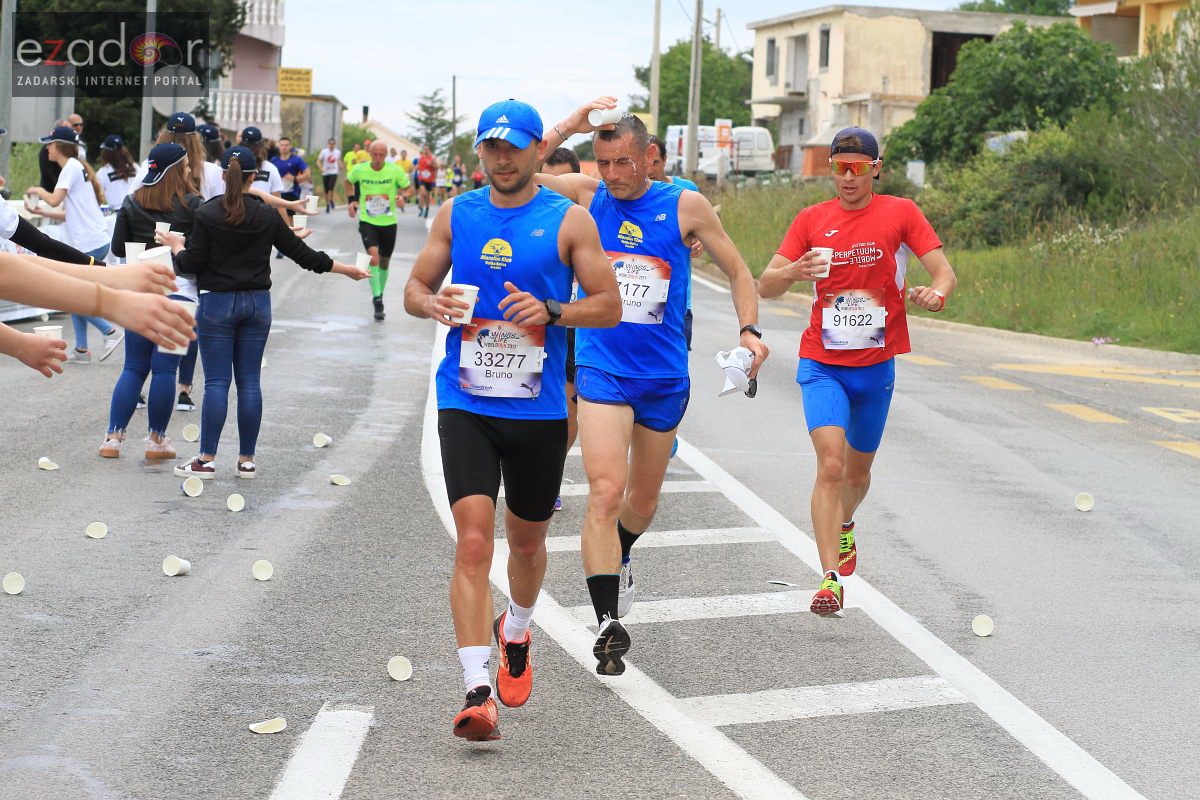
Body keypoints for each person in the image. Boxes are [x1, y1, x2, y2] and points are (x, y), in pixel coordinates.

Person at [403, 99, 620, 742]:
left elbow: (607, 306)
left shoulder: (568, 219)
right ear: (481, 153)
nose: (502, 158)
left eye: (514, 147)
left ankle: (517, 631)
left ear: (535, 152)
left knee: (525, 543)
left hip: (540, 409)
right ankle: (475, 689)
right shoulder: (457, 213)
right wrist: (432, 303)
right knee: (473, 541)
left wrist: (553, 312)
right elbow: (414, 289)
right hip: (465, 400)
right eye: (491, 147)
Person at [535, 100, 768, 675]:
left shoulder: (685, 206)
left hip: (664, 377)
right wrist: (570, 123)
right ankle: (608, 621)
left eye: (622, 163)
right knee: (605, 490)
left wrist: (750, 331)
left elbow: (739, 271)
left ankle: (623, 551)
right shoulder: (587, 198)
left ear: (650, 159)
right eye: (603, 162)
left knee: (641, 503)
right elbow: (509, 168)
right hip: (601, 369)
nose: (612, 175)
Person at [757, 127, 957, 614]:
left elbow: (943, 272)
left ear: (876, 168)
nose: (847, 178)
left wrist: (937, 294)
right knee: (830, 465)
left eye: (857, 168)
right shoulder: (811, 220)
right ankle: (829, 580)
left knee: (857, 474)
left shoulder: (900, 213)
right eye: (839, 168)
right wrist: (793, 272)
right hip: (822, 362)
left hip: (875, 367)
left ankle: (845, 525)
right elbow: (765, 285)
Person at [162, 146, 368, 480]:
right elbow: (306, 256)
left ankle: (207, 459)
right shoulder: (266, 215)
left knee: (216, 383)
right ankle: (246, 461)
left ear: (224, 176)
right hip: (258, 304)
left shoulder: (208, 213)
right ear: (254, 177)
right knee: (249, 382)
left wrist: (176, 246)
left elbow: (189, 266)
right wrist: (347, 270)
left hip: (217, 303)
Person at [103, 143, 202, 460]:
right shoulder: (193, 205)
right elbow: (197, 257)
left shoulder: (132, 202)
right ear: (176, 170)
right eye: (185, 166)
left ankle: (113, 438)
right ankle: (156, 441)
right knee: (164, 372)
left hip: (139, 289)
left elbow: (118, 248)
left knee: (133, 368)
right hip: (179, 291)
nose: (189, 170)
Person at [25, 125, 123, 363]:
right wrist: (41, 209)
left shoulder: (70, 167)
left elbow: (55, 198)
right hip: (94, 239)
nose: (47, 148)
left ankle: (110, 332)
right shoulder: (76, 166)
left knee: (70, 296)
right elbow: (69, 212)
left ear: (59, 145)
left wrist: (37, 190)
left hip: (89, 242)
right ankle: (81, 350)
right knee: (75, 294)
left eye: (49, 144)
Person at [542, 146, 582, 512]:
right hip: (528, 324)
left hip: (573, 322)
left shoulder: (586, 216)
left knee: (569, 408)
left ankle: (551, 473)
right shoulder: (525, 213)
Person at [346, 140, 411, 321]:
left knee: (384, 262)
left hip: (389, 222)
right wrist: (352, 200)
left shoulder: (395, 170)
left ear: (386, 155)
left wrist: (402, 197)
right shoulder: (360, 169)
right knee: (373, 258)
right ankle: (377, 299)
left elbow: (408, 189)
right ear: (370, 154)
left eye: (381, 155)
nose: (377, 158)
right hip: (367, 220)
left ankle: (380, 292)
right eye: (374, 154)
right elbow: (347, 181)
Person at [97, 135, 138, 213]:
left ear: (106, 153)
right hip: (136, 212)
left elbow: (98, 197)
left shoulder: (102, 172)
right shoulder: (135, 167)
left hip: (115, 215)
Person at [271, 136, 310, 207]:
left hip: (292, 193)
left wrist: (295, 178)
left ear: (290, 146)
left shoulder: (296, 159)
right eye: (282, 145)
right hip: (277, 193)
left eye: (286, 145)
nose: (284, 147)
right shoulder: (274, 160)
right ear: (279, 146)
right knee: (277, 216)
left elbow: (307, 173)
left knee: (289, 216)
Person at [317, 137, 341, 212]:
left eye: (333, 144)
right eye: (330, 144)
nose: (331, 145)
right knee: (326, 190)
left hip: (334, 172)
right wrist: (321, 168)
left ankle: (330, 200)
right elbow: (318, 161)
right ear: (328, 144)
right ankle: (328, 203)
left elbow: (339, 161)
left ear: (335, 144)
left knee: (331, 187)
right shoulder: (324, 152)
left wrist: (341, 166)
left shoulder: (337, 152)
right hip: (325, 172)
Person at [415, 145, 438, 218]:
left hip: (429, 179)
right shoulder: (421, 158)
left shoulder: (432, 158)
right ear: (423, 150)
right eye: (424, 149)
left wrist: (432, 164)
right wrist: (416, 168)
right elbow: (418, 166)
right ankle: (421, 209)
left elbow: (437, 167)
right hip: (421, 178)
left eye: (427, 149)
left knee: (427, 195)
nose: (426, 150)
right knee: (423, 193)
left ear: (429, 150)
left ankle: (427, 208)